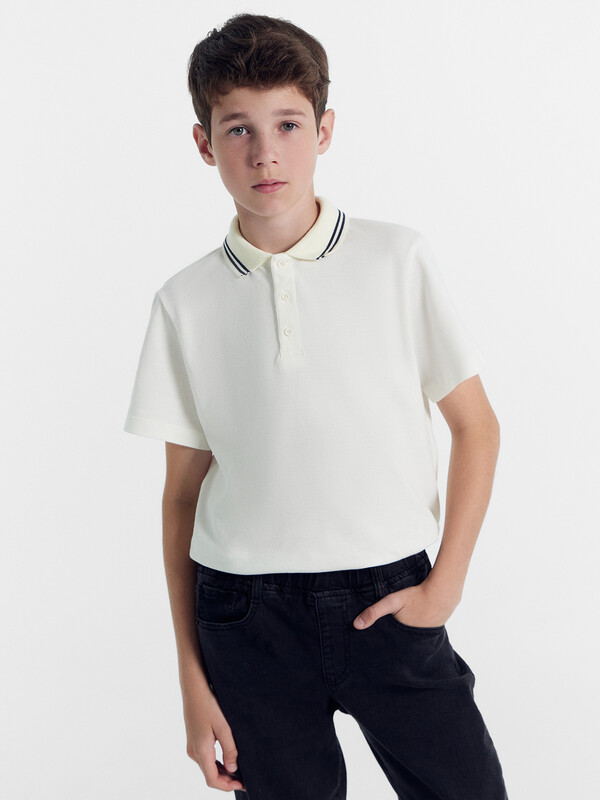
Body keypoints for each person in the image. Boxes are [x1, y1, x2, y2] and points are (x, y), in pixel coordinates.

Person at [123, 12, 509, 800]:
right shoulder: (184, 302)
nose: (265, 152)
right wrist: (191, 679)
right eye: (238, 129)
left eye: (288, 124)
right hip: (246, 618)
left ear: (324, 130)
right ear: (204, 144)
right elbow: (181, 497)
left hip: (390, 600)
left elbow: (476, 426)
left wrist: (445, 586)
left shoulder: (396, 259)